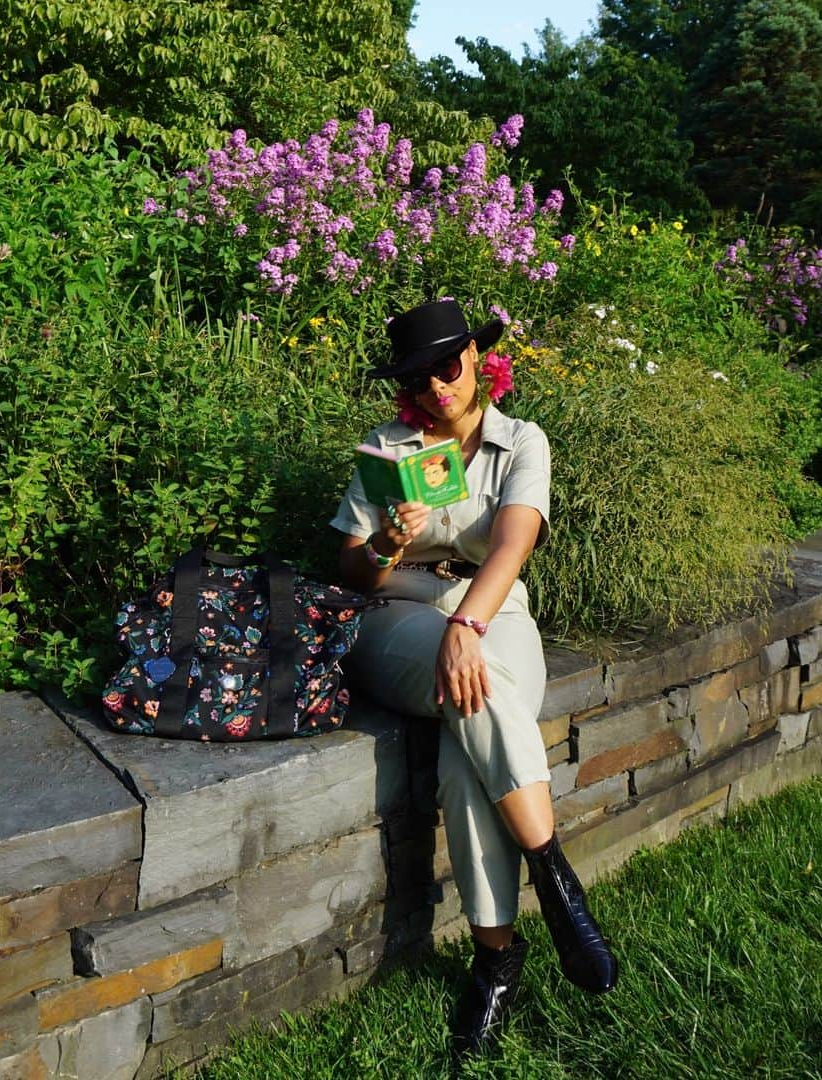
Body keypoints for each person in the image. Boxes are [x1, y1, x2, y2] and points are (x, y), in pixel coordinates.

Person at [330, 299, 617, 1056]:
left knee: (467, 748)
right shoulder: (388, 449)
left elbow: (514, 544)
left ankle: (497, 959)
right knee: (479, 689)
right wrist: (388, 543)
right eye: (416, 377)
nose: (433, 386)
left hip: (492, 612)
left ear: (477, 362)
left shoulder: (521, 441)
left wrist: (467, 626)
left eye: (445, 367)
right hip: (398, 615)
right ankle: (556, 881)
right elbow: (351, 572)